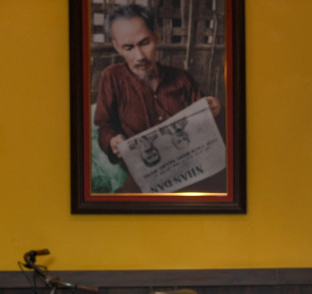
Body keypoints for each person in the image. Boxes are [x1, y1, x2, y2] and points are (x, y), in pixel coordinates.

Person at [93, 4, 222, 192]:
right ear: (117, 47)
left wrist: (217, 110)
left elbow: (207, 122)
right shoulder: (112, 77)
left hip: (193, 170)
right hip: (145, 175)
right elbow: (104, 126)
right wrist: (112, 141)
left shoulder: (182, 78)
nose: (140, 56)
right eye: (128, 47)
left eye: (145, 43)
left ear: (157, 37)